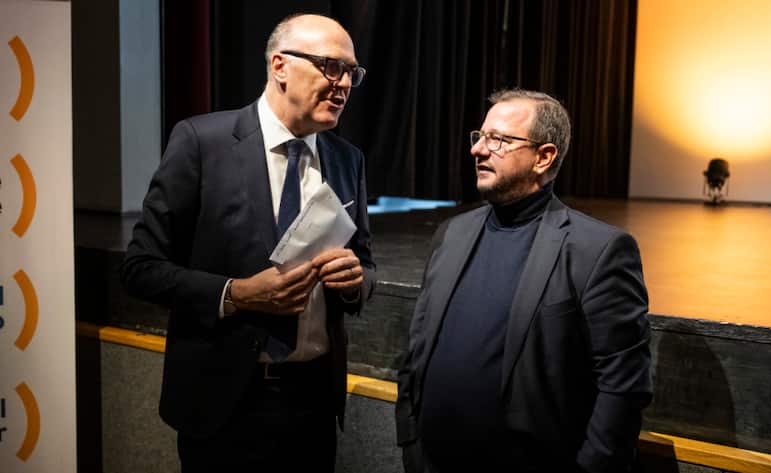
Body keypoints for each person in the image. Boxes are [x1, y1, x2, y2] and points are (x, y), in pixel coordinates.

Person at [120, 14, 375, 472]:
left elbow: (367, 264)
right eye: (330, 66)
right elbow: (140, 268)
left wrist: (356, 281)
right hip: (223, 404)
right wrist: (234, 294)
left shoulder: (346, 159)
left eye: (351, 73)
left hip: (312, 405)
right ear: (280, 66)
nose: (343, 84)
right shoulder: (202, 142)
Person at [395, 89, 651, 473]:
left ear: (544, 157)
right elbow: (417, 348)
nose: (478, 150)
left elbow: (622, 389)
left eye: (498, 139)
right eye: (479, 137)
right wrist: (411, 439)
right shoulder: (453, 233)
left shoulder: (598, 250)